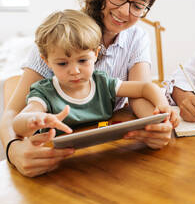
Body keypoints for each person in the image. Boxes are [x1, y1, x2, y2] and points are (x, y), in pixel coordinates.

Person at [0, 0, 178, 177]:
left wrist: (156, 126)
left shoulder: (136, 37)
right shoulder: (62, 34)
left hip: (105, 144)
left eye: (138, 5)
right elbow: (13, 112)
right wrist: (13, 151)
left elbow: (138, 96)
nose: (124, 11)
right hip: (59, 149)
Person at [13, 9, 176, 140]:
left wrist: (163, 105)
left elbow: (145, 88)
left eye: (83, 60)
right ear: (46, 61)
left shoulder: (102, 83)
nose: (75, 71)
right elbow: (18, 122)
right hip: (61, 160)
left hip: (103, 152)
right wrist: (34, 119)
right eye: (62, 63)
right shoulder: (44, 93)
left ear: (96, 54)